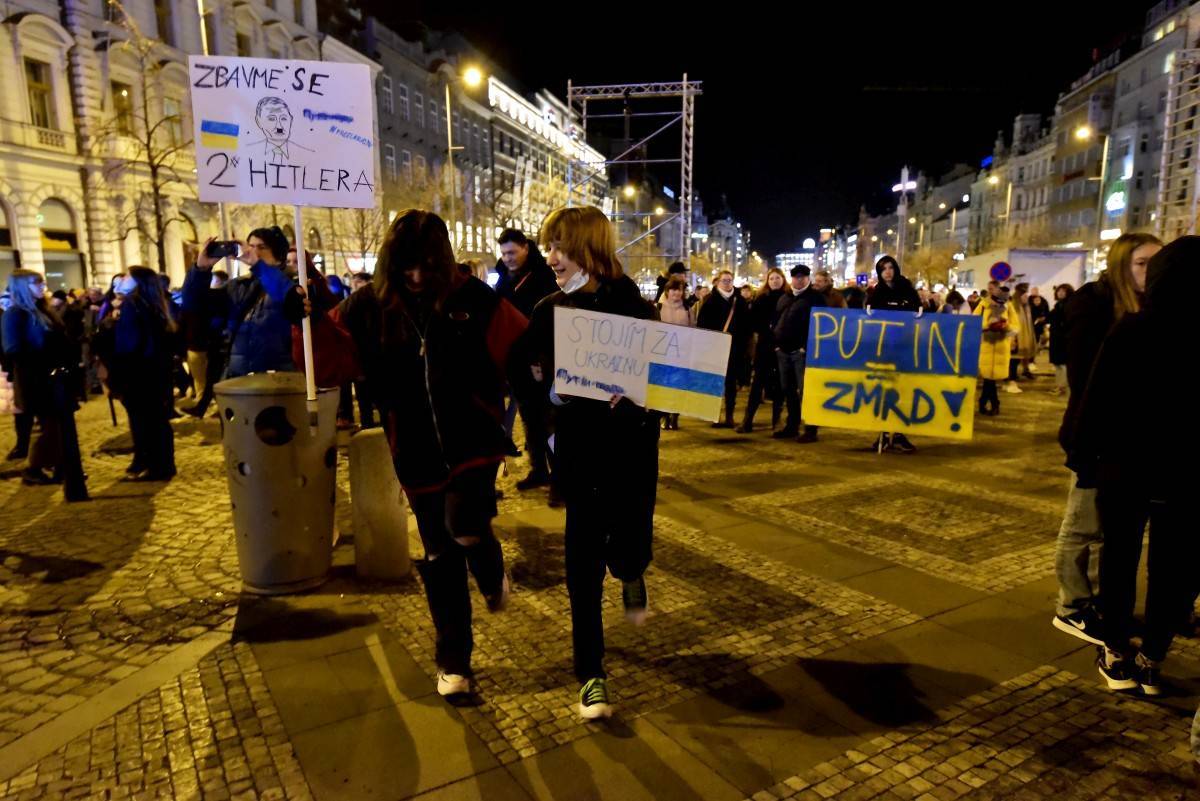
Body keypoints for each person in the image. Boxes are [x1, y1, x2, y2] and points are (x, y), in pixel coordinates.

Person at [296, 209, 526, 699]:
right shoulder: (368, 306)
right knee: (439, 550)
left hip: (474, 440)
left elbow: (525, 349)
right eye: (407, 266)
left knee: (465, 523)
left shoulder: (473, 299)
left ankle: (488, 566)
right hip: (413, 446)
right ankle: (454, 659)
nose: (418, 276)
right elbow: (331, 363)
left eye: (427, 266)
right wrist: (308, 320)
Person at [527, 205, 659, 720]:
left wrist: (640, 399)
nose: (551, 257)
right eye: (549, 247)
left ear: (588, 249)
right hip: (579, 459)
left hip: (630, 458)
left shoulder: (634, 308)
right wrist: (553, 395)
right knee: (582, 569)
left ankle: (631, 571)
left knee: (628, 551)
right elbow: (530, 386)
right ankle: (591, 674)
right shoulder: (547, 312)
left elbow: (668, 386)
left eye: (559, 247)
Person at [1067, 235, 1192, 697]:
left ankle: (1117, 650)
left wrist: (1084, 457)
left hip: (1125, 468)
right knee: (1173, 568)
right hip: (1186, 473)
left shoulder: (1134, 329)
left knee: (1119, 560)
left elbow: (1096, 399)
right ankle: (1152, 657)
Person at [1052, 232, 1161, 650]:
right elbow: (1086, 384)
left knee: (1106, 529)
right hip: (1093, 436)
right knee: (1082, 524)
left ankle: (1097, 600)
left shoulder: (1144, 307)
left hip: (1126, 440)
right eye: (1142, 262)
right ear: (1121, 265)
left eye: (1156, 262)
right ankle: (1071, 606)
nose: (1150, 271)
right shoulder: (1094, 307)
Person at [493, 228, 560, 494]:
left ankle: (559, 478)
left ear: (525, 248)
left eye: (512, 252)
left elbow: (550, 320)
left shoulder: (543, 276)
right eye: (504, 253)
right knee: (530, 419)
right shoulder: (503, 279)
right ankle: (539, 470)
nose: (508, 258)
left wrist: (541, 356)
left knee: (549, 420)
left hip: (542, 360)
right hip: (516, 361)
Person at [185, 226, 296, 381]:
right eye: (250, 246)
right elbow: (193, 304)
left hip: (280, 379)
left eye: (261, 247)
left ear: (278, 255)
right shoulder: (238, 286)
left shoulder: (292, 282)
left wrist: (258, 266)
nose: (253, 251)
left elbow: (290, 298)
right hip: (239, 378)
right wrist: (200, 270)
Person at [2, 270, 72, 485]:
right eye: (37, 283)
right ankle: (34, 468)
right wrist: (44, 357)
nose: (43, 287)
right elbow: (13, 348)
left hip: (53, 375)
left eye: (43, 282)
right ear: (23, 286)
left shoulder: (43, 309)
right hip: (34, 377)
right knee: (47, 424)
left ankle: (59, 466)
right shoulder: (15, 313)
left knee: (57, 423)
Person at [108, 267, 177, 481]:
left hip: (137, 371)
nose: (123, 279)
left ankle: (152, 465)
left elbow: (128, 343)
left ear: (138, 281)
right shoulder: (154, 303)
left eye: (127, 276)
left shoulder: (133, 304)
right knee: (157, 419)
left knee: (142, 420)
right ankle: (162, 463)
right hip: (155, 370)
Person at [865, 256, 920, 453]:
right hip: (883, 348)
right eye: (883, 269)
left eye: (890, 267)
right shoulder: (876, 292)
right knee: (883, 391)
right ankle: (882, 433)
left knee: (901, 391)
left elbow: (918, 311)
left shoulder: (907, 289)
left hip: (904, 347)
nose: (887, 272)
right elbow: (869, 317)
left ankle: (898, 434)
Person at [772, 265, 827, 443]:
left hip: (802, 353)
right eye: (796, 277)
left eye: (803, 277)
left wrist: (805, 347)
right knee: (788, 391)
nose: (799, 280)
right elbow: (776, 321)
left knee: (806, 392)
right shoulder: (785, 297)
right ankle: (792, 425)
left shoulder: (816, 298)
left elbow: (822, 324)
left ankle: (811, 429)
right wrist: (777, 345)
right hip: (783, 352)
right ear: (792, 279)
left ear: (808, 278)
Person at [696, 269, 749, 428]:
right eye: (724, 280)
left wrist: (742, 346)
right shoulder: (710, 300)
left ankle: (729, 416)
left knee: (731, 384)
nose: (727, 283)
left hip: (734, 349)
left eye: (729, 280)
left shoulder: (740, 301)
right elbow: (702, 324)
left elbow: (746, 325)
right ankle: (715, 415)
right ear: (718, 282)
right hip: (714, 349)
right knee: (715, 383)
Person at [737, 267, 786, 433]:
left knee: (779, 385)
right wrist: (766, 329)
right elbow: (752, 321)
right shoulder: (761, 298)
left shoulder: (788, 297)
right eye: (771, 278)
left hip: (782, 347)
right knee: (758, 383)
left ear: (783, 279)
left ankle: (777, 421)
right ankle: (747, 420)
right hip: (765, 346)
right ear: (767, 281)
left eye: (777, 278)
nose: (775, 281)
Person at [180, 268, 229, 418]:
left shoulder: (221, 298)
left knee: (210, 379)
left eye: (215, 280)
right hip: (203, 345)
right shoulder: (200, 300)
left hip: (211, 345)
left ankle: (207, 407)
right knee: (205, 380)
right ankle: (202, 406)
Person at [975, 280, 1018, 416]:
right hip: (986, 344)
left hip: (1001, 345)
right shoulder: (983, 304)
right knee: (988, 378)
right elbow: (973, 322)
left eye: (993, 288)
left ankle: (985, 402)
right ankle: (992, 403)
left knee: (990, 379)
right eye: (989, 288)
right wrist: (987, 326)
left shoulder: (1008, 305)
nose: (990, 291)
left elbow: (1016, 326)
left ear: (999, 290)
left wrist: (1005, 326)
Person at [656, 276, 693, 431]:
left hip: (681, 355)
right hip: (663, 354)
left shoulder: (687, 309)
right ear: (667, 291)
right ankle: (664, 416)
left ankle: (675, 416)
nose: (677, 293)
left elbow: (693, 329)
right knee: (664, 387)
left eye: (680, 290)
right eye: (674, 290)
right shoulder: (658, 307)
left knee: (679, 387)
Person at [1047, 284, 1074, 395]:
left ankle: (1062, 387)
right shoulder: (1059, 305)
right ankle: (1059, 386)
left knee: (1062, 364)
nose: (1060, 293)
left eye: (1063, 291)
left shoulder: (1069, 305)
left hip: (1063, 339)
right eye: (1059, 291)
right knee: (1057, 364)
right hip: (1056, 338)